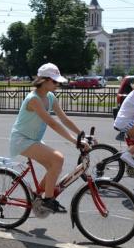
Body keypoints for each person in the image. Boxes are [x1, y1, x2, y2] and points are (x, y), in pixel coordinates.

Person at [9, 63, 90, 213]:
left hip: (33, 140)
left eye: (58, 81)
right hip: (22, 139)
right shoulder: (34, 99)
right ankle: (48, 200)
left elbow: (64, 119)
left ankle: (38, 197)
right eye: (54, 81)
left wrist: (82, 135)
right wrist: (75, 141)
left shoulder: (50, 97)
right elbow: (52, 123)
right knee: (58, 158)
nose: (57, 84)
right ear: (43, 80)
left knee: (54, 166)